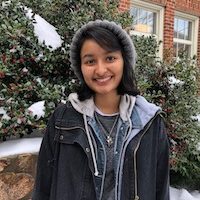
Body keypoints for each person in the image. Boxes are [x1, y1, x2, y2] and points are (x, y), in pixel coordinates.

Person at [32, 20, 170, 200]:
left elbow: (160, 190)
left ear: (124, 61)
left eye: (110, 58)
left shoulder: (149, 122)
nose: (100, 69)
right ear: (80, 67)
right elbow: (43, 187)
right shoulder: (62, 120)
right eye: (90, 61)